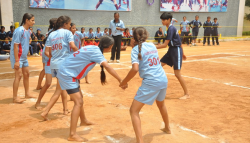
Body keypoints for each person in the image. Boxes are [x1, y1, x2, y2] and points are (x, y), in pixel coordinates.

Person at [57, 36, 122, 142]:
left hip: (69, 72)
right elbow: (108, 67)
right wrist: (120, 80)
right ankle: (72, 134)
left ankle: (83, 120)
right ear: (110, 46)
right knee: (78, 102)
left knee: (80, 98)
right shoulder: (97, 52)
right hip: (68, 74)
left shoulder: (93, 47)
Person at [119, 27, 170, 143]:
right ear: (146, 36)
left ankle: (140, 141)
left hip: (151, 82)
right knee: (161, 104)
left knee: (133, 111)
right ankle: (167, 127)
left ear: (133, 38)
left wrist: (124, 81)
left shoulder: (136, 50)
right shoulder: (151, 45)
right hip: (162, 79)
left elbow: (135, 69)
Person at [41, 15, 78, 120]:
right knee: (59, 90)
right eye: (69, 24)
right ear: (65, 24)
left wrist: (55, 58)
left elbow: (47, 52)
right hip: (64, 65)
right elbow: (73, 46)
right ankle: (46, 111)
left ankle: (65, 109)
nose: (70, 26)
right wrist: (81, 53)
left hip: (54, 64)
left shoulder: (52, 34)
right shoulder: (68, 33)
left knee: (61, 88)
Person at [156, 12, 189, 100]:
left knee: (177, 74)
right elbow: (178, 40)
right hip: (171, 50)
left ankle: (187, 94)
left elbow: (164, 45)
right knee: (158, 66)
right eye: (162, 20)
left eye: (164, 20)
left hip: (176, 51)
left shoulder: (171, 29)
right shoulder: (169, 27)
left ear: (168, 20)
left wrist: (152, 47)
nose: (162, 21)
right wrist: (183, 52)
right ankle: (158, 89)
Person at [10, 13, 36, 103]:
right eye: (32, 20)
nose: (34, 22)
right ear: (27, 20)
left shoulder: (28, 31)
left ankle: (27, 93)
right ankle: (15, 97)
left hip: (24, 57)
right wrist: (17, 61)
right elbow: (15, 46)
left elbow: (24, 43)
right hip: (18, 57)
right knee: (18, 76)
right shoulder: (19, 30)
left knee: (27, 74)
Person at [35, 18, 58, 109]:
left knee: (61, 84)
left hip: (52, 55)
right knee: (45, 72)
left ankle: (65, 107)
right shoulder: (53, 32)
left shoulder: (54, 31)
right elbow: (49, 49)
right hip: (49, 55)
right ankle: (38, 87)